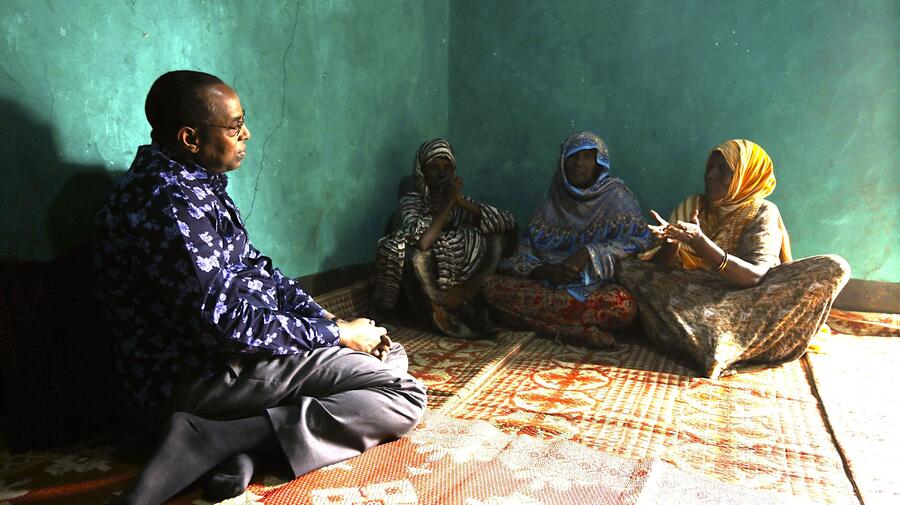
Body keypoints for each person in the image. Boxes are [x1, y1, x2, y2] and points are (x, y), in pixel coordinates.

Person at [95, 70, 426, 505]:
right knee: (400, 393)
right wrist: (338, 336)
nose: (246, 134)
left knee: (385, 349)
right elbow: (224, 324)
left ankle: (239, 443)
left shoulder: (195, 182)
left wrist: (328, 319)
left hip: (237, 357)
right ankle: (212, 438)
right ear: (190, 138)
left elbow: (256, 271)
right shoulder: (168, 201)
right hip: (199, 375)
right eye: (234, 127)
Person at [617, 139, 850, 378]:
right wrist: (671, 242)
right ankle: (722, 343)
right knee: (627, 268)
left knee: (835, 266)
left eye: (724, 170)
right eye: (711, 167)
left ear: (745, 175)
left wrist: (700, 242)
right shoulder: (693, 205)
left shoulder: (762, 211)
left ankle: (712, 342)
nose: (711, 175)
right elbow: (660, 271)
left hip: (746, 300)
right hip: (697, 296)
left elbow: (755, 277)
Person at [483, 131, 654, 348]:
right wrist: (545, 271)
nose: (579, 163)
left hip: (596, 290)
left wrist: (589, 252)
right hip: (550, 288)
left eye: (587, 157)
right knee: (490, 286)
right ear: (563, 162)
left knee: (622, 306)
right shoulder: (550, 203)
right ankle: (576, 331)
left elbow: (643, 242)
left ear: (599, 162)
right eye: (572, 156)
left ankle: (549, 325)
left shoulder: (617, 197)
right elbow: (521, 255)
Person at [374, 138, 516, 338]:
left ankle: (464, 302)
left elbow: (507, 221)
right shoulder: (411, 201)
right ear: (422, 171)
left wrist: (459, 201)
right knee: (412, 255)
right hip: (424, 271)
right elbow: (424, 242)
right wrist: (450, 203)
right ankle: (437, 311)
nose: (441, 174)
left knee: (493, 237)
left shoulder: (454, 198)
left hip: (452, 271)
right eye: (434, 167)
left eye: (447, 168)